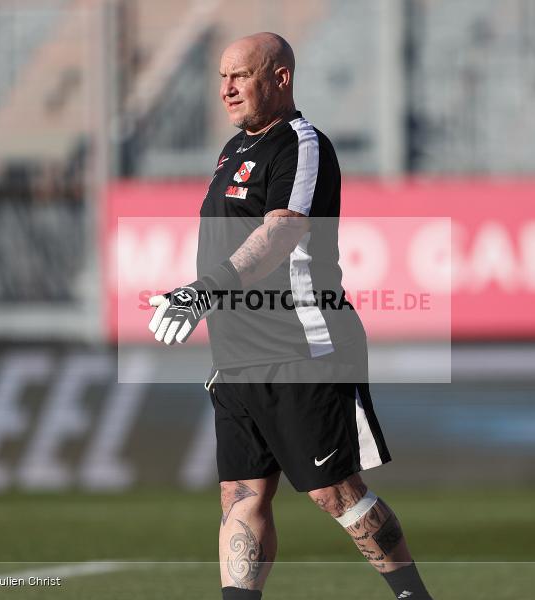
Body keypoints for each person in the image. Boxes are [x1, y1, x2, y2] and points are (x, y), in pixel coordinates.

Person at [147, 32, 433, 600]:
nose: (226, 89)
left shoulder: (301, 144)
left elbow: (282, 231)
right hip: (237, 357)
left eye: (241, 76)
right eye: (222, 77)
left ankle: (412, 596)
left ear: (279, 78)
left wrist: (207, 290)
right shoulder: (232, 150)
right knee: (241, 496)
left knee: (335, 493)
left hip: (300, 346)